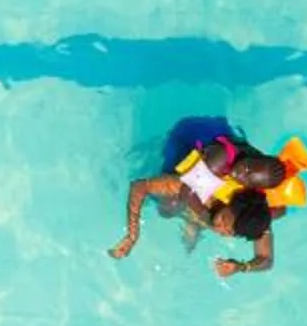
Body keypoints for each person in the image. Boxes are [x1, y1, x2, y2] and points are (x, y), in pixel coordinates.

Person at [108, 117, 286, 279]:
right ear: (231, 200)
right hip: (191, 136)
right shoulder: (215, 179)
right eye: (224, 220)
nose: (221, 229)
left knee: (202, 214)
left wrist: (241, 267)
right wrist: (132, 235)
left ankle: (195, 219)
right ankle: (153, 151)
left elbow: (266, 260)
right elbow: (139, 186)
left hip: (235, 154)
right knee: (168, 207)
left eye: (230, 232)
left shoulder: (256, 214)